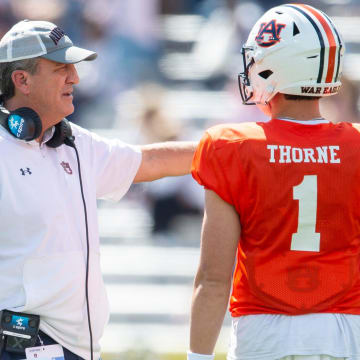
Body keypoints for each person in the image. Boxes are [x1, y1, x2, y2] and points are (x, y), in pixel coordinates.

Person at [0, 20, 196, 360]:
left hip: (74, 348)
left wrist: (234, 148)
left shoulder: (72, 141)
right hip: (21, 345)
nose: (75, 78)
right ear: (22, 80)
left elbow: (150, 162)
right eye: (61, 68)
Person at [188, 4, 360, 360]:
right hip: (345, 334)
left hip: (262, 335)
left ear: (273, 67)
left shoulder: (230, 146)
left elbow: (213, 279)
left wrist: (198, 357)